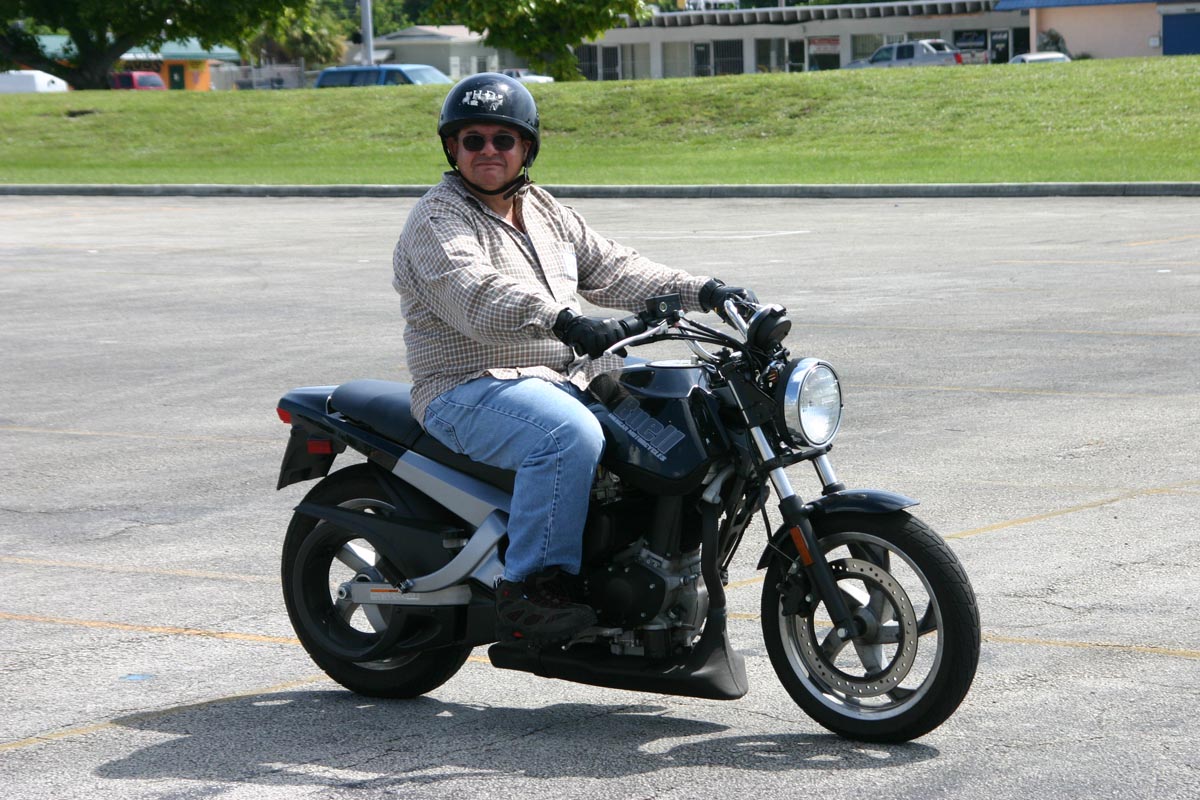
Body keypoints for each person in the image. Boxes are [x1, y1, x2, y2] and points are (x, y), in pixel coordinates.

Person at [392, 72, 755, 645]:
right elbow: (475, 292)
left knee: (685, 419)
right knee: (567, 436)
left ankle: (653, 566)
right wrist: (563, 319)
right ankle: (532, 588)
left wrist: (705, 291)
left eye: (503, 139)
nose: (488, 151)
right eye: (473, 140)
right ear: (452, 148)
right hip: (467, 385)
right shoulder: (437, 220)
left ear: (526, 147)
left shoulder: (542, 209)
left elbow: (615, 267)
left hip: (564, 378)